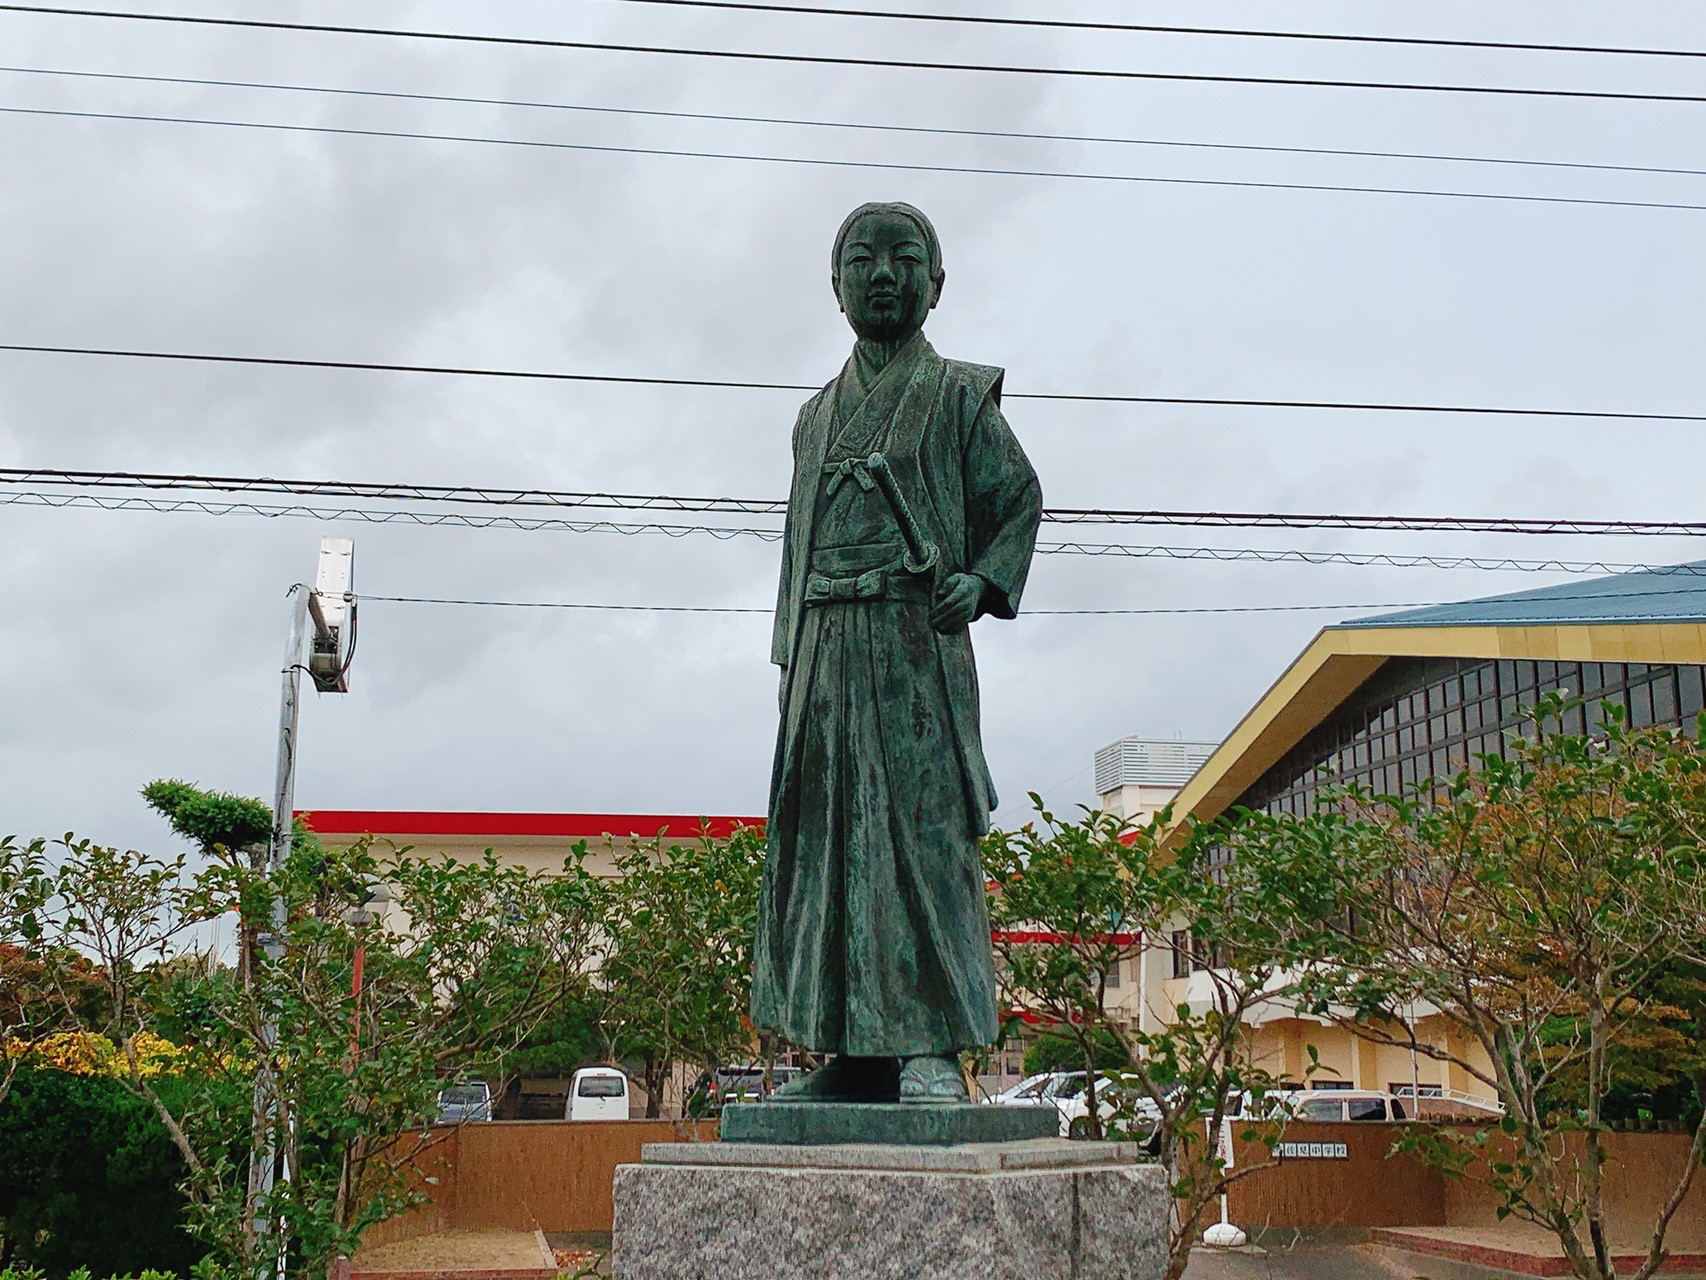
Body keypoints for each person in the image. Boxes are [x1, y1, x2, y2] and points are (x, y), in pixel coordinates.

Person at [751, 201, 1042, 1103]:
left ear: (936, 283)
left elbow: (1018, 497)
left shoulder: (958, 395)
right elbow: (798, 546)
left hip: (914, 643)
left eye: (904, 258)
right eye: (863, 260)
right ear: (835, 288)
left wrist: (984, 583)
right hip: (826, 651)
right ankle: (850, 1049)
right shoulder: (813, 420)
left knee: (920, 837)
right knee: (827, 842)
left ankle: (930, 1047)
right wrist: (790, 657)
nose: (883, 273)